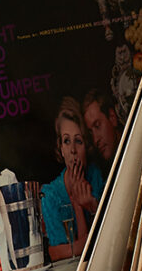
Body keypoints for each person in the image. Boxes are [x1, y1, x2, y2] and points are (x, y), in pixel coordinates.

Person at [35, 96, 97, 260]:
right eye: (67, 141)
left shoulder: (95, 177)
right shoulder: (50, 194)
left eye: (79, 141)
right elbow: (57, 252)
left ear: (86, 146)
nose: (73, 150)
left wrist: (90, 205)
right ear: (61, 149)